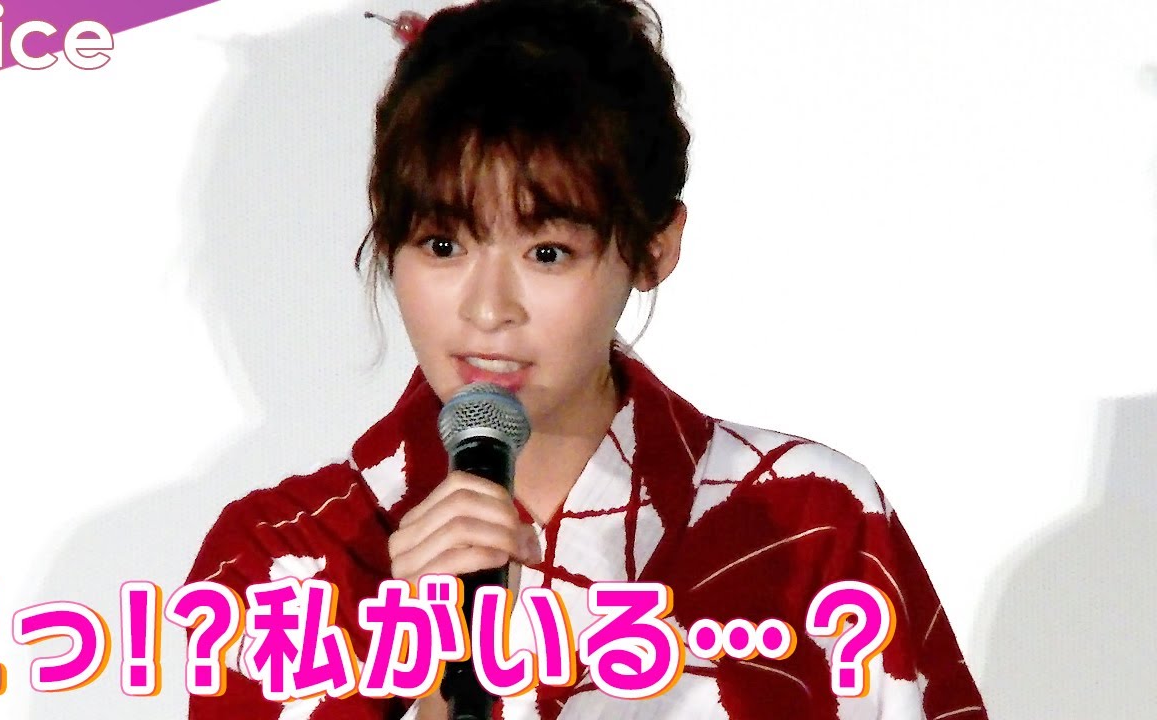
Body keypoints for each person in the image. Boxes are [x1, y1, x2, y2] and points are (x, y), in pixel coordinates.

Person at [185, 0, 989, 718]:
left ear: (653, 247)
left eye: (547, 252)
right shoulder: (281, 564)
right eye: (442, 244)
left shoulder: (806, 518)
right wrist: (435, 675)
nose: (488, 309)